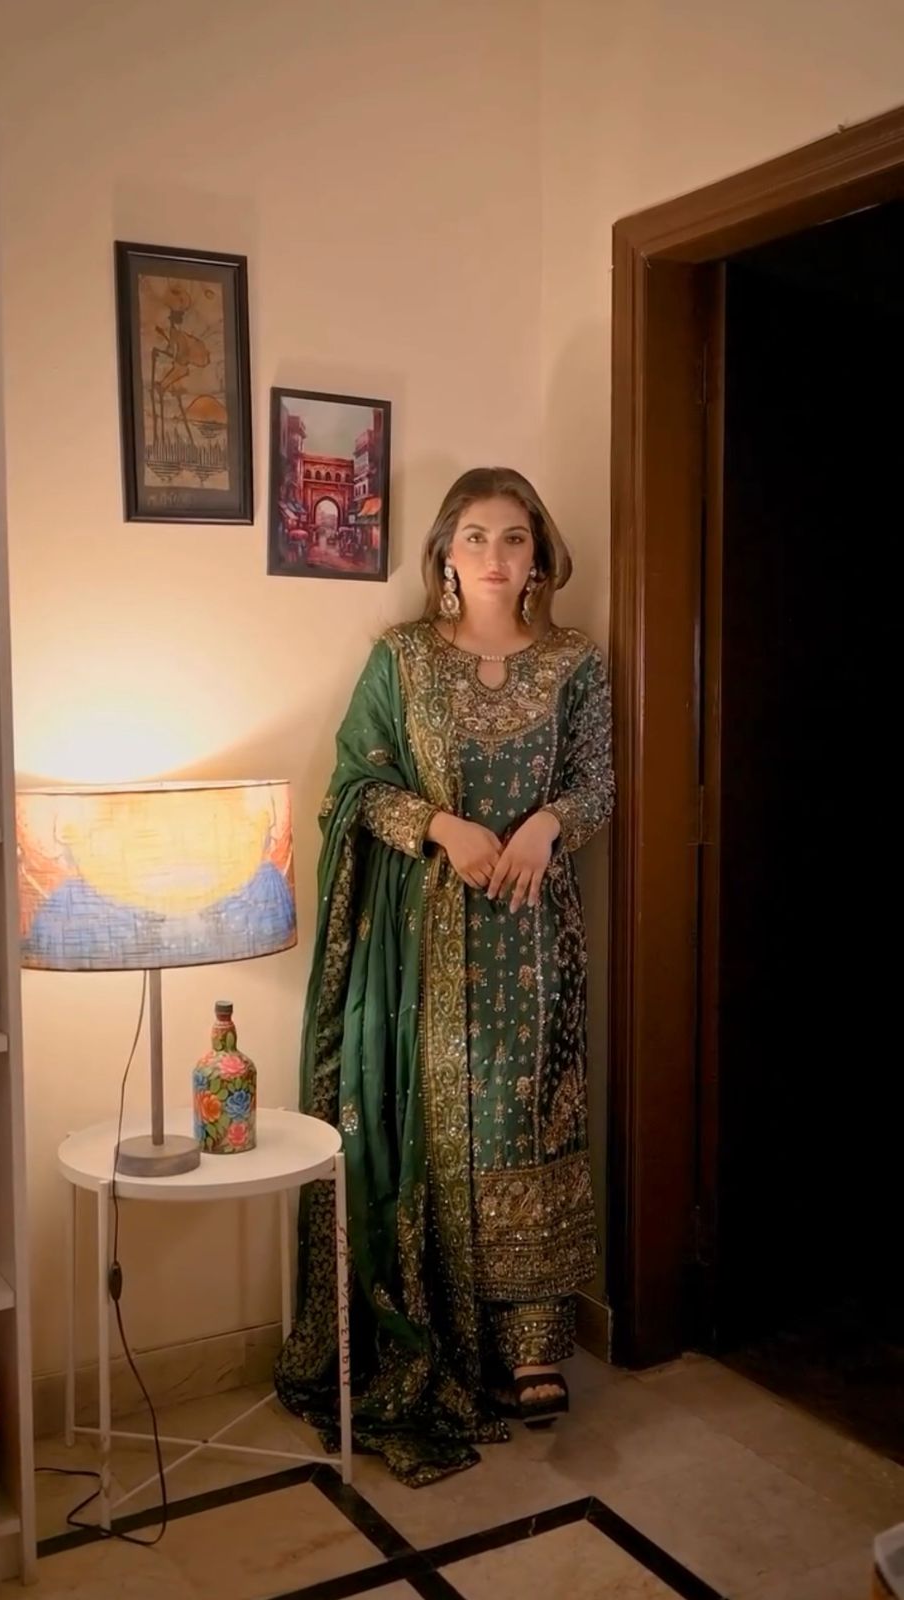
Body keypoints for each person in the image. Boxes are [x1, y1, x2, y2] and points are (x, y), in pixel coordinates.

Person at [274, 467, 615, 1486]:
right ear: (444, 556)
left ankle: (533, 1343)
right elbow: (355, 787)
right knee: (441, 1125)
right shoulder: (403, 658)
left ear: (540, 554)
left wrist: (548, 824)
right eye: (476, 537)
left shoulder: (575, 662)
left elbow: (596, 781)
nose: (496, 557)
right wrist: (440, 826)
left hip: (536, 938)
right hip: (425, 943)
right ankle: (448, 1339)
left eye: (515, 537)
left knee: (531, 1120)